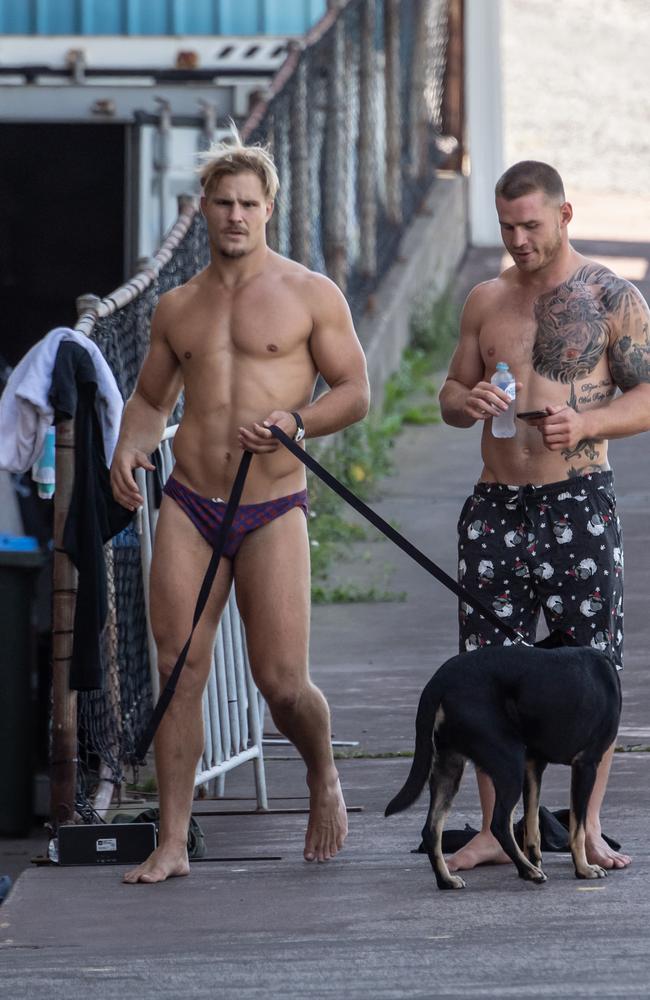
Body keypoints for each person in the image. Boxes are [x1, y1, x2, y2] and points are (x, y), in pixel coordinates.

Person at [110, 131, 370, 883]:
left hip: (271, 506)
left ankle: (322, 774)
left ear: (269, 210)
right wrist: (130, 448)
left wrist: (297, 422)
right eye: (222, 203)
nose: (235, 216)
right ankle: (174, 840)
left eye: (248, 204)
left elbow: (354, 392)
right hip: (191, 502)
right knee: (177, 667)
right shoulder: (177, 306)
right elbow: (151, 398)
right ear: (204, 209)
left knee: (282, 682)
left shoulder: (310, 294)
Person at [439, 160, 650, 873]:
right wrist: (463, 402)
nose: (519, 239)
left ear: (564, 215)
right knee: (484, 673)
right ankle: (497, 829)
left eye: (531, 224)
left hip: (577, 504)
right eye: (507, 226)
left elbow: (646, 396)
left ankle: (587, 825)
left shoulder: (611, 295)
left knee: (594, 669)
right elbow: (448, 391)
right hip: (497, 508)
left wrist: (587, 423)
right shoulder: (485, 299)